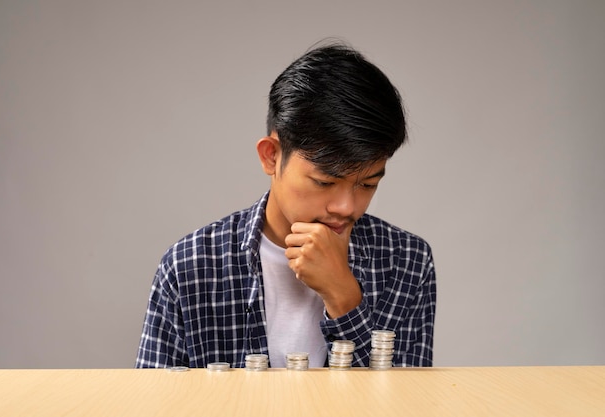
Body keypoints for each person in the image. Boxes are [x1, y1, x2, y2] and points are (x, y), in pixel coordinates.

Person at [136, 42, 436, 369]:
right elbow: (157, 401)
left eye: (368, 184)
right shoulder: (189, 266)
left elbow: (406, 403)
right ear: (271, 156)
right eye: (324, 181)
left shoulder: (407, 261)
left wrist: (345, 299)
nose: (347, 207)